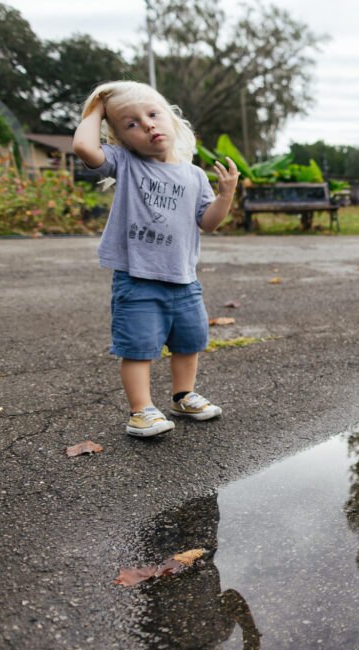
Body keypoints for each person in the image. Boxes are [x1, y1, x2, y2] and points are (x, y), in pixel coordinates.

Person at [73, 81, 239, 437]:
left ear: (171, 120)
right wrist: (98, 109)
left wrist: (225, 195)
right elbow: (84, 147)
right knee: (137, 348)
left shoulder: (194, 175)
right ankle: (141, 411)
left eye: (152, 114)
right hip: (138, 278)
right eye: (130, 124)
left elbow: (207, 222)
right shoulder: (126, 163)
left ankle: (183, 396)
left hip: (183, 279)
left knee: (189, 342)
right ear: (120, 140)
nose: (147, 125)